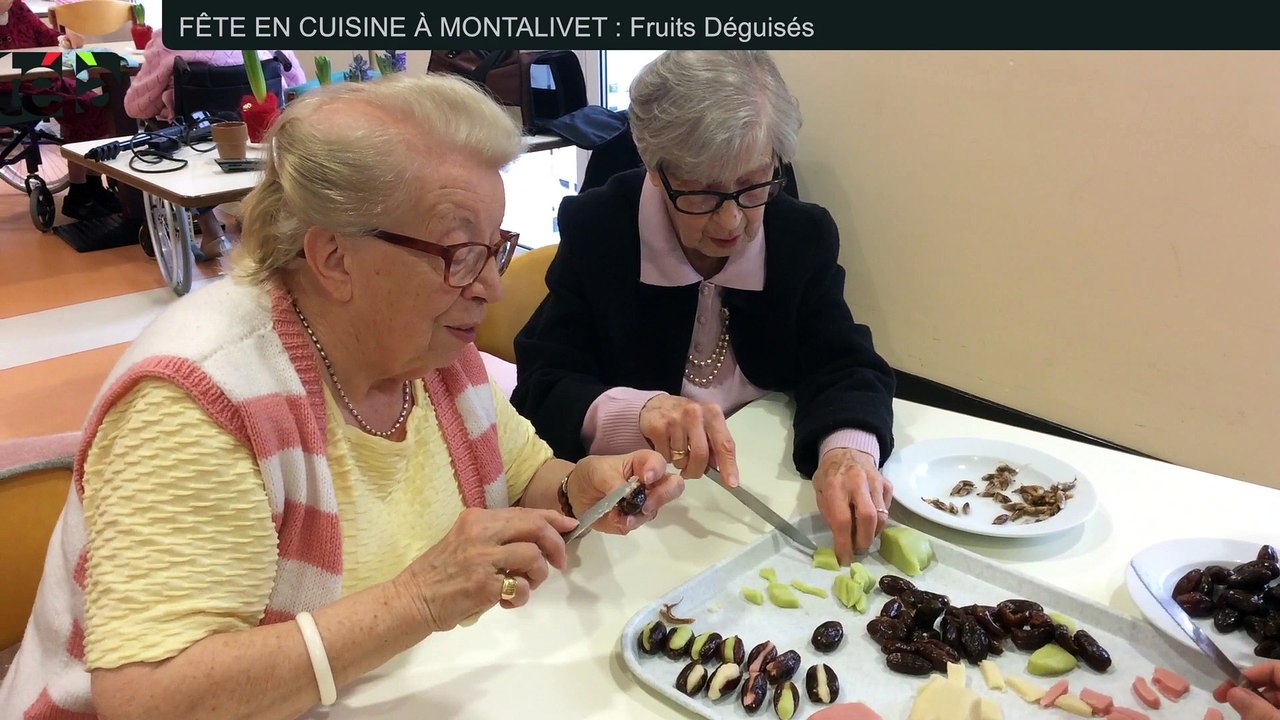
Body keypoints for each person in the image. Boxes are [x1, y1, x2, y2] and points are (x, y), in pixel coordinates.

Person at [0, 73, 685, 719]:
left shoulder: (427, 346)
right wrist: (416, 600)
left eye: (493, 248)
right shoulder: (201, 402)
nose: (491, 288)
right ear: (332, 257)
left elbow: (525, 473)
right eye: (458, 253)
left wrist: (578, 488)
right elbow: (147, 699)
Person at [511, 50, 896, 567]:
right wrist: (641, 410)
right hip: (634, 526)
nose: (732, 221)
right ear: (655, 170)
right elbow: (541, 386)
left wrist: (846, 452)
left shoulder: (798, 234)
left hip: (765, 502)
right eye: (703, 193)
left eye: (753, 185)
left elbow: (844, 361)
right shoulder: (601, 229)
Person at [123, 28, 307, 260]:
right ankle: (256, 215)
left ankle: (211, 231)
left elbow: (136, 107)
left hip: (198, 135)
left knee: (157, 133)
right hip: (259, 132)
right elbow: (298, 84)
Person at [0, 0, 120, 218]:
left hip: (42, 82)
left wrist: (64, 38)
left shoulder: (17, 8)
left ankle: (93, 184)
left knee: (98, 105)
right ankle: (77, 192)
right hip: (10, 93)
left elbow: (45, 35)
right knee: (79, 107)